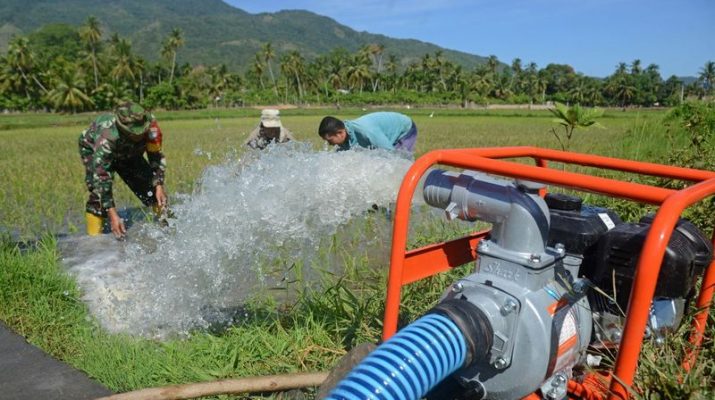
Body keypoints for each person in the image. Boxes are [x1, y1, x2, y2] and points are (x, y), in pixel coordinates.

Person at [78, 102, 167, 238]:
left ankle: (166, 228)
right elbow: (102, 178)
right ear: (122, 128)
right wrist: (113, 214)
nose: (138, 135)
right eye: (133, 133)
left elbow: (155, 156)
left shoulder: (151, 126)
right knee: (98, 196)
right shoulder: (107, 136)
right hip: (94, 150)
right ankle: (95, 242)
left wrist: (159, 184)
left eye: (141, 132)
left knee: (154, 191)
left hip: (129, 153)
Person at [317, 111, 417, 153]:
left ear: (340, 133)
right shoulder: (344, 137)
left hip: (404, 130)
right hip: (383, 135)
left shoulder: (366, 131)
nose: (330, 144)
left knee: (400, 162)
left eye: (330, 141)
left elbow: (390, 152)